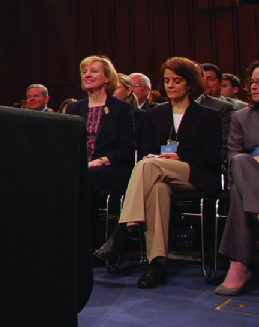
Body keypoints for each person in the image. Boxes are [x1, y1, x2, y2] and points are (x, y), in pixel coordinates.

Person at [94, 57, 222, 289]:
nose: (170, 85)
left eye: (177, 80)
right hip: (159, 174)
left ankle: (125, 229)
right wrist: (157, 159)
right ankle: (157, 264)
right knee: (157, 188)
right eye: (167, 81)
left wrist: (180, 157)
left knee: (149, 165)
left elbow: (213, 159)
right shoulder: (155, 115)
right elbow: (145, 151)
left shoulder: (208, 115)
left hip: (195, 175)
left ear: (190, 84)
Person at [65, 56, 136, 249]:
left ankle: (90, 245)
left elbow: (127, 148)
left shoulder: (121, 108)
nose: (87, 75)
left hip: (111, 169)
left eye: (94, 71)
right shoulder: (74, 108)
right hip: (81, 168)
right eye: (85, 71)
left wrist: (99, 161)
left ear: (107, 78)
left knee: (86, 177)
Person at [216, 60, 259, 295]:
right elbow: (232, 155)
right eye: (252, 82)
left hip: (248, 186)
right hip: (250, 174)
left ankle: (239, 265)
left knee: (238, 194)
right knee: (241, 161)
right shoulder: (241, 116)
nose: (253, 87)